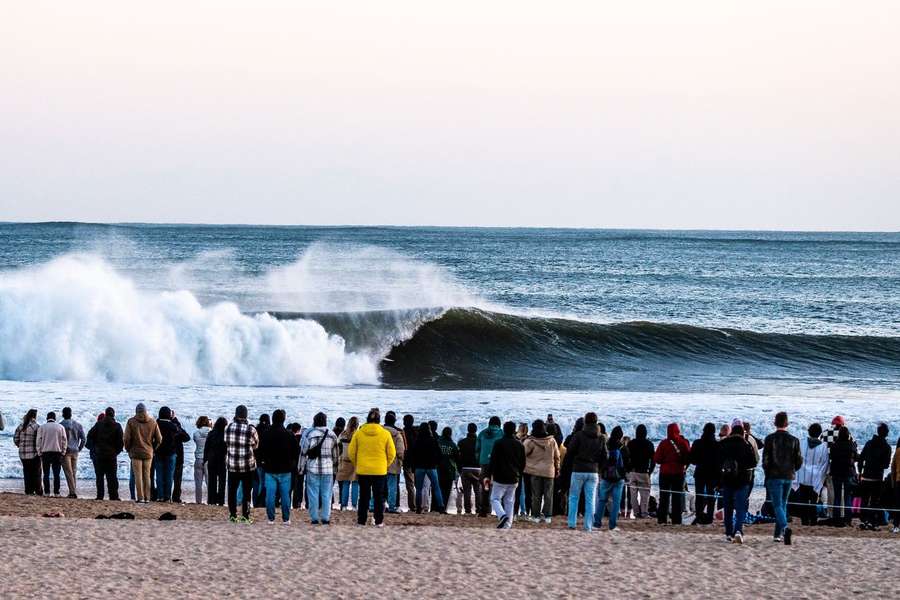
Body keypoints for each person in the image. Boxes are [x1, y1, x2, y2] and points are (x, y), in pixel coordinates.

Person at [348, 408, 396, 527]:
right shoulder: (385, 434)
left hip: (363, 470)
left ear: (367, 420)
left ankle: (361, 521)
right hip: (379, 470)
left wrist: (357, 464)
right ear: (379, 420)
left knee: (364, 496)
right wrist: (385, 464)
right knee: (378, 497)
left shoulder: (359, 433)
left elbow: (351, 452)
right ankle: (379, 521)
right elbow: (392, 453)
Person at [763, 411, 803, 542]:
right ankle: (777, 535)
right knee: (783, 504)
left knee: (777, 505)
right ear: (787, 423)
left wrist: (768, 473)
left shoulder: (770, 439)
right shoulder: (794, 440)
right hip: (788, 475)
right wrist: (792, 470)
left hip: (774, 476)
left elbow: (765, 461)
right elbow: (799, 461)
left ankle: (784, 528)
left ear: (775, 423)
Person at [564, 412, 606, 531]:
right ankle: (588, 526)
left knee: (573, 497)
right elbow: (605, 456)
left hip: (578, 469)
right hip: (593, 471)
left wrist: (571, 464)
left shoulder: (579, 435)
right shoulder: (601, 437)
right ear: (596, 422)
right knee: (590, 499)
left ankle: (572, 523)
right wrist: (600, 468)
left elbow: (570, 451)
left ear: (585, 422)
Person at [258, 409, 299, 525]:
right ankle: (286, 519)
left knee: (270, 495)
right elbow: (296, 453)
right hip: (286, 469)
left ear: (273, 419)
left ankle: (271, 518)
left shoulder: (266, 434)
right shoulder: (289, 434)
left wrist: (262, 462)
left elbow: (260, 451)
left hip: (270, 468)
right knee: (285, 495)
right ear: (283, 419)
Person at [718, 424, 758, 544]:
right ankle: (738, 531)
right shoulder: (746, 445)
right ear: (742, 433)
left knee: (728, 508)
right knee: (740, 508)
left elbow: (718, 462)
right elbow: (754, 462)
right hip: (742, 481)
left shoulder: (723, 444)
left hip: (727, 480)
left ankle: (728, 533)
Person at [483, 421, 526, 529]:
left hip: (500, 477)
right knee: (509, 501)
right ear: (514, 430)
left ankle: (502, 515)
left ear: (504, 430)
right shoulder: (519, 444)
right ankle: (507, 525)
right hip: (514, 477)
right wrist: (518, 474)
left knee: (494, 499)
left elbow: (493, 461)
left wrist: (488, 475)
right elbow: (523, 463)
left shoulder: (498, 443)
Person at [301, 412, 339, 525]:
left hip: (312, 468)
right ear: (325, 421)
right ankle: (325, 518)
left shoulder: (309, 434)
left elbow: (303, 453)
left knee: (313, 494)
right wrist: (335, 469)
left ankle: (314, 518)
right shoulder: (332, 435)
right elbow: (335, 455)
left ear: (314, 421)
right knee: (327, 494)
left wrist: (300, 468)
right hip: (328, 469)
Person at [225, 404, 259, 523]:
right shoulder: (251, 429)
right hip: (247, 466)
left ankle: (233, 515)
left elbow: (226, 441)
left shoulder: (228, 427)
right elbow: (256, 445)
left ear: (236, 414)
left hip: (232, 465)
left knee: (232, 491)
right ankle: (245, 515)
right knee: (246, 492)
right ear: (246, 415)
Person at [123, 403, 161, 504]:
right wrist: (153, 448)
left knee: (138, 476)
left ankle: (140, 497)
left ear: (136, 411)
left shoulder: (131, 422)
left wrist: (128, 449)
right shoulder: (153, 422)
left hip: (135, 453)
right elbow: (159, 439)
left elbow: (126, 438)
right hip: (148, 453)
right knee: (147, 476)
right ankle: (147, 498)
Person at [653, 423, 691, 525]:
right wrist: (684, 467)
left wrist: (665, 461)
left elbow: (657, 459)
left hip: (665, 473)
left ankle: (662, 519)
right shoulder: (683, 443)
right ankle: (676, 520)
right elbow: (688, 457)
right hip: (678, 473)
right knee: (677, 498)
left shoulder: (663, 443)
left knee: (664, 497)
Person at [523, 419, 560, 523]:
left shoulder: (531, 441)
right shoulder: (552, 440)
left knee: (536, 495)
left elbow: (522, 454)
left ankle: (536, 516)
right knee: (548, 495)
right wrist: (557, 468)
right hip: (549, 471)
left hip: (535, 472)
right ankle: (547, 516)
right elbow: (557, 456)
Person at [857, 422, 891, 530]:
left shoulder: (868, 443)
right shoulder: (887, 447)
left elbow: (860, 459)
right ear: (886, 434)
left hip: (866, 476)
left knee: (864, 500)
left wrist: (860, 472)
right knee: (875, 502)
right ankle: (872, 522)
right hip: (877, 478)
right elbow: (886, 465)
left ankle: (863, 521)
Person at [595, 425, 629, 531]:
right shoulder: (622, 448)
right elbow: (626, 463)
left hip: (606, 476)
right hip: (618, 478)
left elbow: (601, 459)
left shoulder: (606, 445)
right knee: (616, 502)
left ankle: (597, 523)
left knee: (602, 500)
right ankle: (612, 525)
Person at [794, 423, 829, 526]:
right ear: (819, 434)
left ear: (809, 432)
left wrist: (796, 473)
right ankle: (813, 521)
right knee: (814, 501)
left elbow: (796, 459)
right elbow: (825, 464)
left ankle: (804, 521)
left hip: (803, 476)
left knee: (803, 500)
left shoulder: (801, 443)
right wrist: (822, 479)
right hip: (815, 478)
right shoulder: (823, 447)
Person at [87, 407, 124, 500]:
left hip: (99, 455)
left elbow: (89, 436)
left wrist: (94, 449)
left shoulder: (99, 424)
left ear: (106, 414)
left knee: (99, 477)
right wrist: (116, 452)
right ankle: (114, 496)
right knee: (112, 477)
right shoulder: (117, 426)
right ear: (113, 415)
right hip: (111, 455)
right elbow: (121, 443)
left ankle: (100, 496)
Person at [409, 422, 445, 513]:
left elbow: (413, 455)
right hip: (431, 467)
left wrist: (413, 467)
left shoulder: (417, 441)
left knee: (419, 489)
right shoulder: (433, 440)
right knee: (436, 487)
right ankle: (441, 508)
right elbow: (439, 454)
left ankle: (418, 509)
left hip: (419, 467)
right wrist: (436, 463)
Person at [689, 423, 722, 525]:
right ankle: (709, 518)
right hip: (712, 474)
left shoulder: (697, 443)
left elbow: (692, 460)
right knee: (711, 497)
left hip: (700, 473)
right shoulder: (717, 445)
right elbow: (719, 462)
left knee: (699, 495)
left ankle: (699, 516)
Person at [153, 406, 187, 502]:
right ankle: (167, 496)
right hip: (170, 453)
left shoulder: (156, 424)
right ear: (169, 415)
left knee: (159, 475)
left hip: (158, 452)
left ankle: (160, 496)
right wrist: (174, 419)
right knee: (169, 475)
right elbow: (184, 435)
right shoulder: (172, 426)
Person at [475, 416, 503, 517]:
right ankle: (500, 511)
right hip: (498, 463)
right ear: (499, 424)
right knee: (500, 486)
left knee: (486, 486)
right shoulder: (502, 433)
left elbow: (477, 449)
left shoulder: (482, 433)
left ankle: (484, 511)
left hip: (485, 463)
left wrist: (481, 460)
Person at [828, 426, 856, 526]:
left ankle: (837, 519)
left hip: (836, 473)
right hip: (848, 473)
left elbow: (831, 457)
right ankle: (848, 520)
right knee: (848, 497)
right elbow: (856, 457)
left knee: (837, 497)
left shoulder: (834, 445)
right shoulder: (851, 445)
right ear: (848, 435)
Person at [625, 424, 654, 519]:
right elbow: (653, 460)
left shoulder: (631, 443)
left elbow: (626, 457)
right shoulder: (649, 444)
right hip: (644, 472)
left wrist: (628, 469)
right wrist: (650, 472)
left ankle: (636, 512)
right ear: (645, 433)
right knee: (645, 495)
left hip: (633, 472)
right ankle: (644, 513)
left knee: (633, 495)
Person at [36, 411, 67, 497]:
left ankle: (47, 492)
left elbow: (38, 441)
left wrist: (39, 452)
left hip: (45, 453)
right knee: (56, 474)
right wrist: (63, 452)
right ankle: (56, 492)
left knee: (46, 474)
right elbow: (64, 441)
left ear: (47, 418)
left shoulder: (42, 427)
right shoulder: (60, 427)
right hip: (57, 453)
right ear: (55, 418)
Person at [13, 409, 42, 495]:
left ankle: (28, 490)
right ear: (35, 416)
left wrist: (20, 445)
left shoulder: (20, 426)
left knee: (27, 472)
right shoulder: (36, 427)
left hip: (22, 454)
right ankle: (38, 491)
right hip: (33, 453)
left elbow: (15, 439)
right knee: (36, 473)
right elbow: (39, 441)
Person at [59, 407, 86, 499]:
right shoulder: (78, 425)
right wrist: (79, 448)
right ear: (71, 414)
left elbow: (59, 439)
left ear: (63, 414)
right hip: (75, 450)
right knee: (73, 472)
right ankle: (73, 491)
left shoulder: (61, 425)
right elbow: (84, 439)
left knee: (68, 472)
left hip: (66, 451)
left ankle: (72, 492)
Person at [456, 423, 482, 515]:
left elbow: (458, 458)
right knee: (477, 490)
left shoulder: (462, 442)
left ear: (468, 429)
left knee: (467, 491)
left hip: (465, 468)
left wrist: (460, 470)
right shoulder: (479, 442)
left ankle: (468, 510)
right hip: (478, 469)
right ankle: (478, 509)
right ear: (476, 430)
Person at [383, 411, 406, 513]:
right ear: (394, 421)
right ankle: (392, 506)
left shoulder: (380, 431)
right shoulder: (397, 434)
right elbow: (401, 451)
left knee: (378, 486)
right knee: (392, 486)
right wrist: (401, 461)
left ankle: (376, 505)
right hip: (393, 463)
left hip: (380, 462)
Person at [204, 417, 228, 506]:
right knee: (222, 482)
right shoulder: (225, 435)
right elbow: (227, 448)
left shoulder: (211, 433)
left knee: (212, 481)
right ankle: (221, 500)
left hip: (212, 459)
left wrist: (205, 459)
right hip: (221, 460)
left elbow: (206, 448)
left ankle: (211, 500)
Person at [337, 416, 359, 510]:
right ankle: (354, 506)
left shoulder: (343, 434)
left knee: (345, 483)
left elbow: (338, 447)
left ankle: (344, 505)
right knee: (355, 483)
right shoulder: (358, 434)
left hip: (344, 461)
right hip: (355, 461)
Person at [437, 427, 460, 514]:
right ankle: (443, 508)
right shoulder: (452, 444)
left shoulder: (438, 443)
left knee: (438, 489)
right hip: (449, 470)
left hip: (438, 469)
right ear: (450, 434)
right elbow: (457, 458)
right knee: (446, 491)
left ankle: (438, 507)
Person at [170, 410, 189, 503]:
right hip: (178, 456)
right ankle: (175, 497)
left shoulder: (160, 425)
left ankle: (165, 495)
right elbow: (187, 437)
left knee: (166, 477)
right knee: (177, 479)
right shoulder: (177, 428)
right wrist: (176, 421)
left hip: (166, 455)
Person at [253, 413, 271, 507]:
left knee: (257, 481)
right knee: (263, 481)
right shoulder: (269, 430)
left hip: (256, 459)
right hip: (265, 460)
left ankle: (255, 501)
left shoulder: (256, 430)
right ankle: (261, 502)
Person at [193, 416, 211, 504]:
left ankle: (198, 501)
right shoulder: (211, 433)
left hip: (199, 458)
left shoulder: (196, 433)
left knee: (198, 483)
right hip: (208, 459)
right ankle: (210, 500)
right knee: (210, 483)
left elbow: (195, 441)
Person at [401, 414, 418, 512]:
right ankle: (421, 504)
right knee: (419, 485)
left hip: (407, 461)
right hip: (416, 461)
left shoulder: (403, 432)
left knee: (410, 485)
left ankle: (412, 506)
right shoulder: (416, 431)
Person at [891, 437, 900, 533]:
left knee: (897, 504)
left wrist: (893, 483)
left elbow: (893, 467)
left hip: (898, 481)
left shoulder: (897, 451)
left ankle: (896, 525)